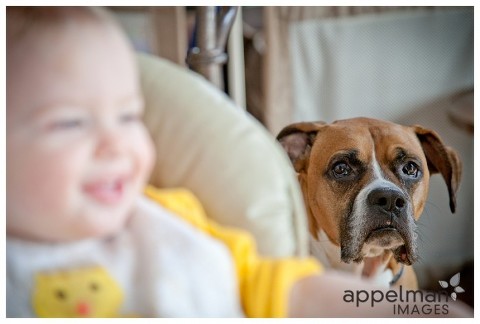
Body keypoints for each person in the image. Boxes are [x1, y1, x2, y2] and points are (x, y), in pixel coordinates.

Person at [6, 7, 472, 318]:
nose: (387, 195)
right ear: (296, 157)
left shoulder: (181, 223)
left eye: (408, 171)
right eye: (345, 169)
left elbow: (293, 294)